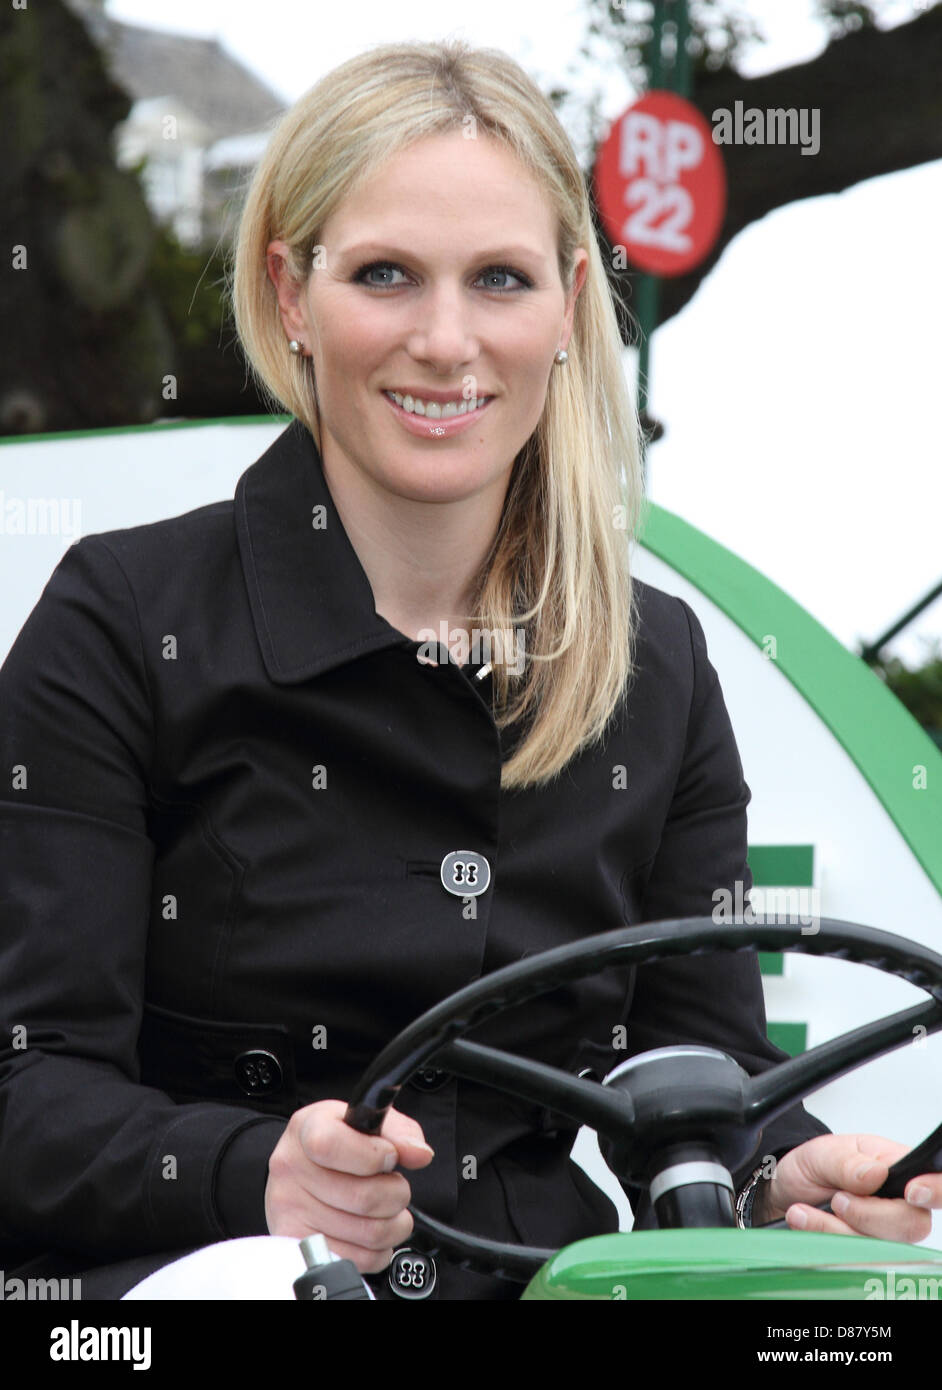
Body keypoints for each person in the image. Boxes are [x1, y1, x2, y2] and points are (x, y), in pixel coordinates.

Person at [0, 38, 938, 1303]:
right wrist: (250, 1170)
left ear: (565, 306)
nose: (446, 342)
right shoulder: (119, 621)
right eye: (386, 275)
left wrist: (791, 1170)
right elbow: (29, 1085)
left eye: (499, 279)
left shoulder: (655, 663)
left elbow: (696, 1063)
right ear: (291, 293)